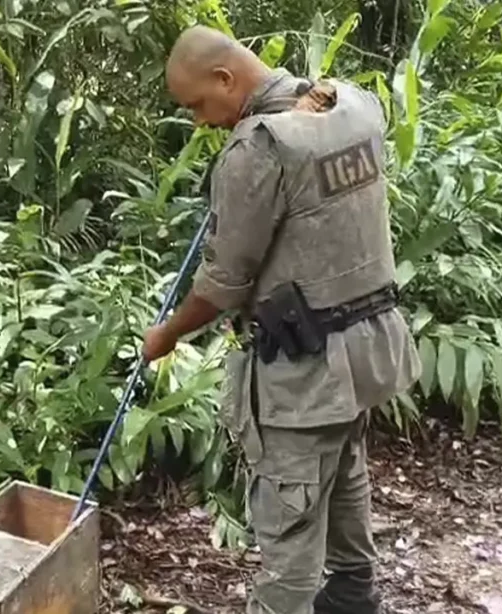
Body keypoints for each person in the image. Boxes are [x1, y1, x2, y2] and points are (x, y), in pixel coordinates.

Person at [140, 25, 421, 614]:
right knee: (341, 469)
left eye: (197, 105)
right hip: (367, 350)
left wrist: (166, 334)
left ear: (225, 79)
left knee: (290, 514)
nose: (199, 121)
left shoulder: (259, 150)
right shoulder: (350, 104)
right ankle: (352, 596)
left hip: (306, 371)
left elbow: (224, 284)